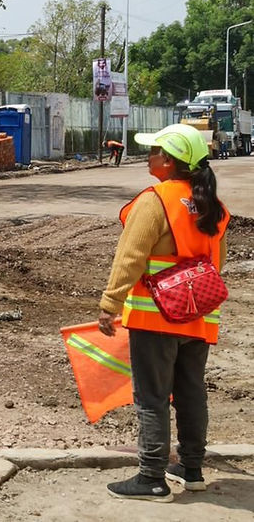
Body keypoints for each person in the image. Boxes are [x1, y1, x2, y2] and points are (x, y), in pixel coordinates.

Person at [98, 123, 229, 502]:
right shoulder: (213, 206)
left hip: (155, 318)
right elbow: (217, 264)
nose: (148, 157)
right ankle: (191, 469)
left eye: (154, 151)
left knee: (152, 397)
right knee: (191, 393)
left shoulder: (155, 201)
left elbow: (130, 259)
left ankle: (152, 478)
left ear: (170, 161)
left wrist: (109, 304)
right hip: (199, 316)